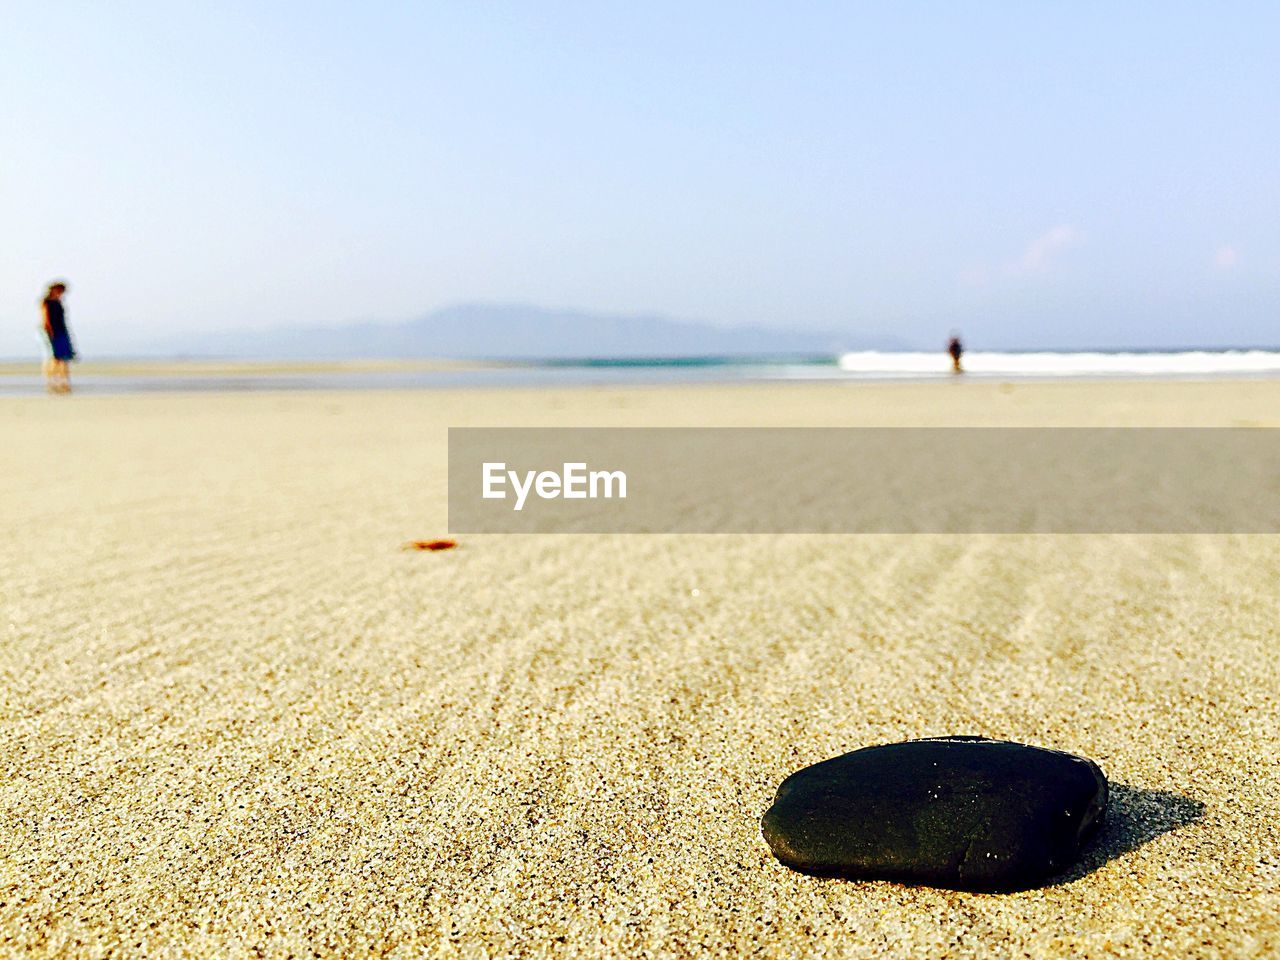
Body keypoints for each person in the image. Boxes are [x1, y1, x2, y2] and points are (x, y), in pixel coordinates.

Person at [41, 281, 75, 393]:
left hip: (61, 330)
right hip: (53, 332)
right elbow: (46, 319)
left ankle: (64, 381)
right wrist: (50, 332)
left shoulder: (59, 302)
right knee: (55, 358)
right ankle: (53, 381)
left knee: (64, 358)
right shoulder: (47, 302)